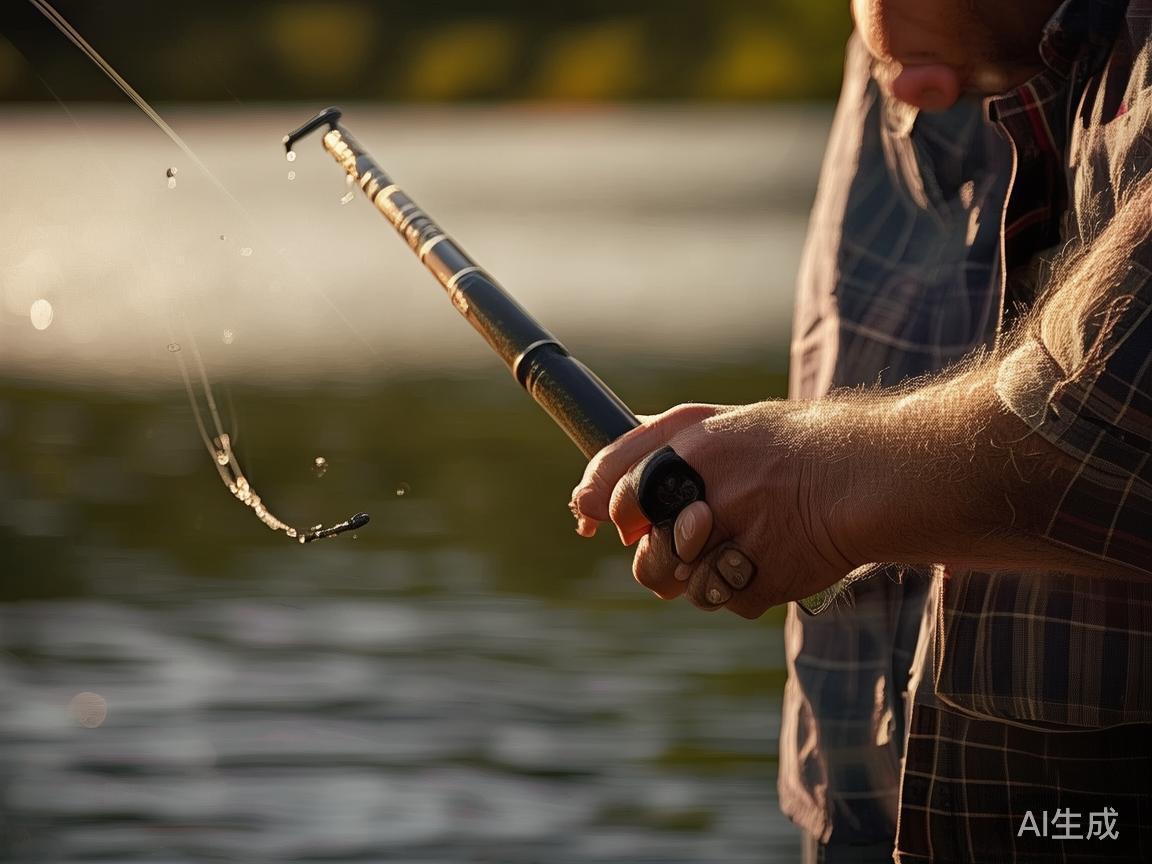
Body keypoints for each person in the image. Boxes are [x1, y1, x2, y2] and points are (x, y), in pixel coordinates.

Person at [570, 0, 1152, 861]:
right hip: (862, 799)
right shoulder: (903, 38)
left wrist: (809, 482)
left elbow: (1112, 409)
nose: (914, 94)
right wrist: (781, 460)